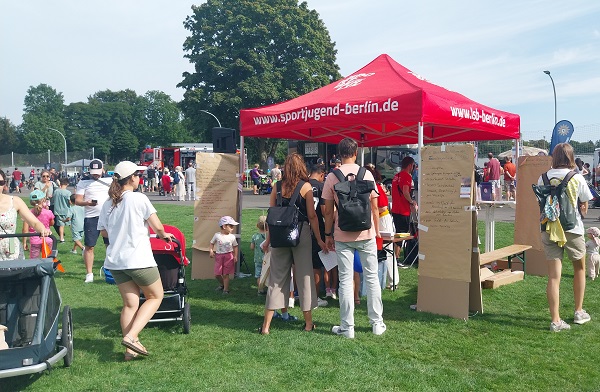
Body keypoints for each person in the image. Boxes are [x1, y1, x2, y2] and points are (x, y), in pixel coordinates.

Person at [97, 160, 175, 361]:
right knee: (155, 296)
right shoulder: (138, 198)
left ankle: (129, 352)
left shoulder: (108, 203)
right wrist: (164, 235)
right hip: (138, 259)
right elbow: (157, 226)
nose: (140, 178)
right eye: (137, 175)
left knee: (130, 304)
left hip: (115, 262)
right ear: (131, 178)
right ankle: (132, 337)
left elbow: (104, 232)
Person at [322, 137, 385, 339]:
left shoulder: (332, 177)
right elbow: (375, 206)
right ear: (356, 153)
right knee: (372, 278)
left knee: (345, 280)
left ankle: (347, 327)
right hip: (366, 233)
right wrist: (376, 231)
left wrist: (328, 233)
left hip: (342, 233)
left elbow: (328, 210)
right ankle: (377, 323)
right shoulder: (366, 173)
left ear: (339, 154)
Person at [259, 153, 325, 334]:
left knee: (276, 279)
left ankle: (266, 326)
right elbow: (312, 216)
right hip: (301, 233)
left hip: (279, 236)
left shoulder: (276, 187)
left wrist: (268, 240)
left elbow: (271, 218)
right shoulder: (306, 188)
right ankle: (308, 323)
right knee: (304, 277)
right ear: (301, 167)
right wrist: (319, 239)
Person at [538, 143, 593, 332]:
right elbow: (585, 200)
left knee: (554, 276)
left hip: (549, 227)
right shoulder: (576, 177)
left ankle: (555, 321)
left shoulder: (543, 176)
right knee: (579, 268)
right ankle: (578, 311)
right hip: (572, 228)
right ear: (570, 157)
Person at [0, 169, 51, 261]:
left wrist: (43, 229)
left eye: (1, 182)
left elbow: (34, 222)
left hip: (11, 250)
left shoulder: (15, 201)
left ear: (4, 185)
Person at [75, 159, 111, 283]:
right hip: (91, 216)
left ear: (103, 169)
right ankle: (89, 273)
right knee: (89, 245)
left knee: (110, 244)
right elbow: (77, 200)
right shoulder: (83, 181)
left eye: (98, 172)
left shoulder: (110, 180)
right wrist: (87, 203)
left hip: (108, 216)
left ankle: (111, 269)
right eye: (93, 172)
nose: (95, 175)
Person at [365, 164, 398, 289]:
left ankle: (393, 280)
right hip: (377, 219)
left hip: (383, 219)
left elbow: (383, 207)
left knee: (388, 249)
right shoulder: (373, 187)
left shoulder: (376, 187)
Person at [308, 164, 332, 306]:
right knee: (316, 264)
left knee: (297, 263)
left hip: (301, 227)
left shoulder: (302, 185)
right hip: (318, 228)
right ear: (322, 174)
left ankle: (295, 295)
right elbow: (324, 211)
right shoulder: (322, 187)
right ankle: (315, 297)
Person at [391, 156, 418, 265]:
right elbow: (406, 191)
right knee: (401, 235)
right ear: (410, 165)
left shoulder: (396, 176)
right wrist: (412, 201)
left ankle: (393, 257)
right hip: (403, 210)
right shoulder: (407, 176)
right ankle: (396, 258)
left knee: (397, 233)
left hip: (395, 209)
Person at [209, 216, 239, 294]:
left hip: (228, 256)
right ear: (224, 226)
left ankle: (226, 289)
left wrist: (235, 256)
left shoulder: (232, 237)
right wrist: (211, 251)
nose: (232, 228)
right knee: (217, 274)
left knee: (226, 274)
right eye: (231, 226)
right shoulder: (217, 235)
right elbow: (212, 243)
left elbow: (235, 246)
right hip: (219, 256)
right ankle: (222, 285)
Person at [22, 190, 54, 259]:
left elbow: (25, 229)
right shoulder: (48, 212)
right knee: (48, 259)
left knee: (34, 260)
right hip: (47, 237)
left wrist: (24, 242)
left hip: (34, 239)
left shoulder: (28, 213)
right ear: (43, 200)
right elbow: (52, 223)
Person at [251, 216, 268, 295]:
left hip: (257, 259)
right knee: (267, 273)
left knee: (258, 275)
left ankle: (260, 290)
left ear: (257, 225)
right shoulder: (268, 236)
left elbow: (252, 247)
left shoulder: (255, 236)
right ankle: (267, 288)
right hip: (267, 258)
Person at [52, 178, 72, 242]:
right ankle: (75, 237)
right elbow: (70, 202)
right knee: (71, 224)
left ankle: (61, 238)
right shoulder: (68, 192)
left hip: (58, 211)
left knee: (61, 226)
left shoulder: (56, 191)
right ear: (67, 184)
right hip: (66, 211)